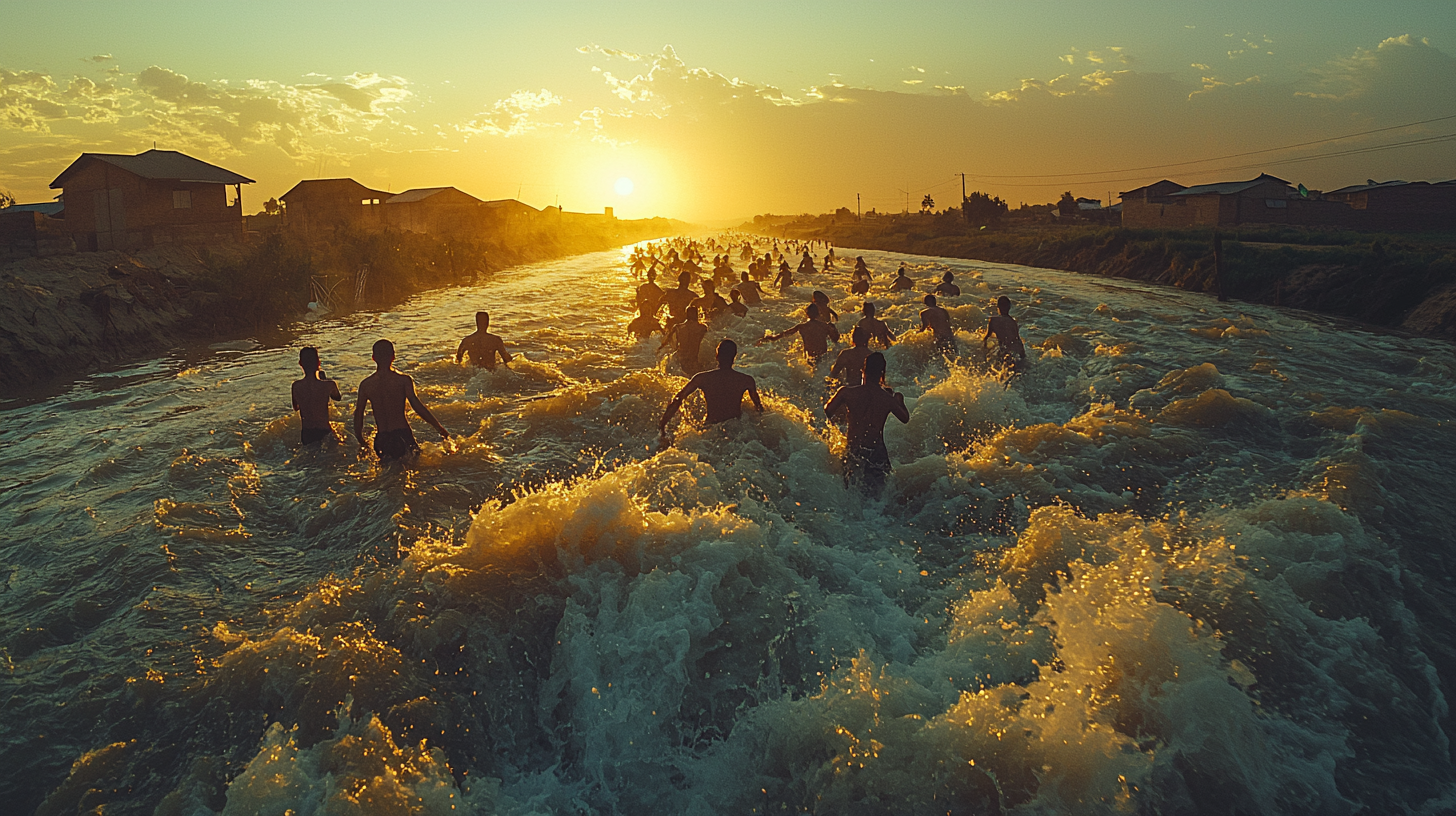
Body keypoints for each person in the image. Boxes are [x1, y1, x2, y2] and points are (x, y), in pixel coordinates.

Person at [825, 352, 910, 493]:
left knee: (849, 489)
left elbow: (827, 411)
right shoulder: (887, 399)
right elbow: (905, 418)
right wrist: (899, 400)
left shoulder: (846, 393)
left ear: (863, 370)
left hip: (854, 449)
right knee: (880, 494)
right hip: (877, 452)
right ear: (882, 373)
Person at [355, 339, 449, 459]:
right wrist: (439, 428)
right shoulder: (403, 380)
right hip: (402, 434)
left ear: (373, 357)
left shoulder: (366, 384)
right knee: (414, 470)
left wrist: (360, 439)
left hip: (382, 437)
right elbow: (417, 407)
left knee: (387, 474)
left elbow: (358, 414)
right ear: (393, 356)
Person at [659, 339, 764, 433]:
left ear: (717, 356)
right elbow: (759, 409)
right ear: (734, 356)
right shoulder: (746, 380)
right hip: (735, 430)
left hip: (710, 430)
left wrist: (662, 425)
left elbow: (678, 399)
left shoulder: (702, 378)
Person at [292, 346, 342, 445]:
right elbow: (337, 397)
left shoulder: (296, 386)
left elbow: (296, 407)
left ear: (300, 364)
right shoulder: (328, 384)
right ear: (319, 363)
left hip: (307, 433)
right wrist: (324, 379)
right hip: (324, 430)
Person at [757, 303, 840, 362]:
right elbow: (835, 340)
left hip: (809, 357)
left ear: (807, 314)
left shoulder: (802, 326)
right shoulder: (825, 326)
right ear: (818, 314)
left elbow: (785, 334)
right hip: (824, 357)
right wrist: (834, 328)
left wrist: (771, 338)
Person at [983, 295, 1027, 372]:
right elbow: (1018, 341)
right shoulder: (1013, 322)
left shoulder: (993, 321)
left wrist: (984, 350)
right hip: (1013, 352)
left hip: (1002, 351)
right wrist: (1023, 356)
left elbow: (986, 338)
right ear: (1009, 307)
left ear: (998, 307)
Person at [661, 305, 709, 375]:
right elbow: (708, 342)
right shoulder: (702, 328)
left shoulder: (678, 327)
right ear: (697, 315)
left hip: (679, 358)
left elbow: (666, 342)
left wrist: (659, 349)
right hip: (693, 358)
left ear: (686, 315)